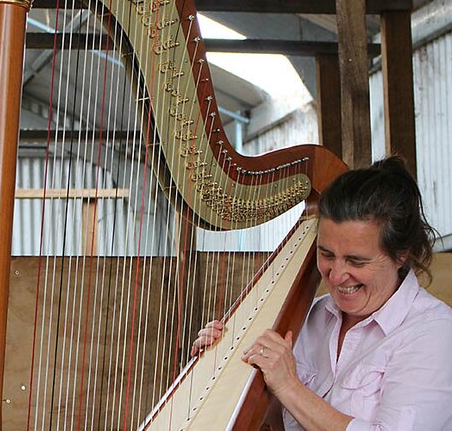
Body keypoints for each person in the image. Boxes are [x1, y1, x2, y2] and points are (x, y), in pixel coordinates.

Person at [190, 157, 452, 430]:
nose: (336, 276)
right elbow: (280, 424)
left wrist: (289, 386)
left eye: (356, 261)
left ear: (401, 254)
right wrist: (230, 367)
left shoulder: (434, 332)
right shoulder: (307, 316)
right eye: (326, 254)